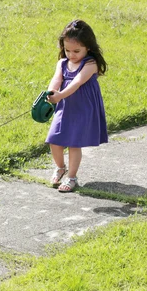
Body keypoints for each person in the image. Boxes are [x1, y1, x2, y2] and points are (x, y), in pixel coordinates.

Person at [45, 19, 108, 192]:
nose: (71, 54)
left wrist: (60, 95)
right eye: (67, 50)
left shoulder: (90, 64)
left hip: (82, 108)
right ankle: (60, 167)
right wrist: (51, 92)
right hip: (64, 106)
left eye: (76, 51)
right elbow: (57, 79)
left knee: (74, 143)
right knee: (54, 139)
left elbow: (77, 82)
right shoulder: (63, 63)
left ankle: (72, 177)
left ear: (88, 47)